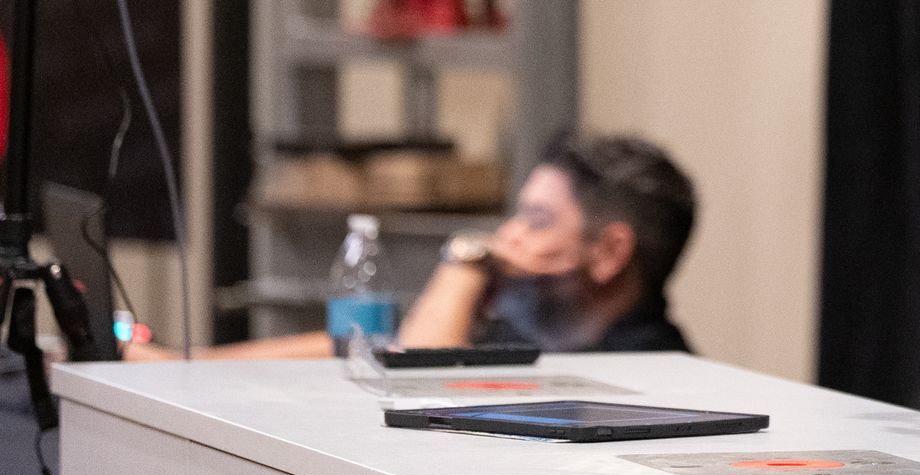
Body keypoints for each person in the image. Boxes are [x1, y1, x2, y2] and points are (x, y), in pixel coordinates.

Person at [129, 132, 697, 359]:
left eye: (537, 220)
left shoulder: (643, 365)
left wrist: (467, 261)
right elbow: (363, 353)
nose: (509, 237)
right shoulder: (531, 333)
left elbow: (416, 373)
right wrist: (188, 367)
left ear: (609, 254)